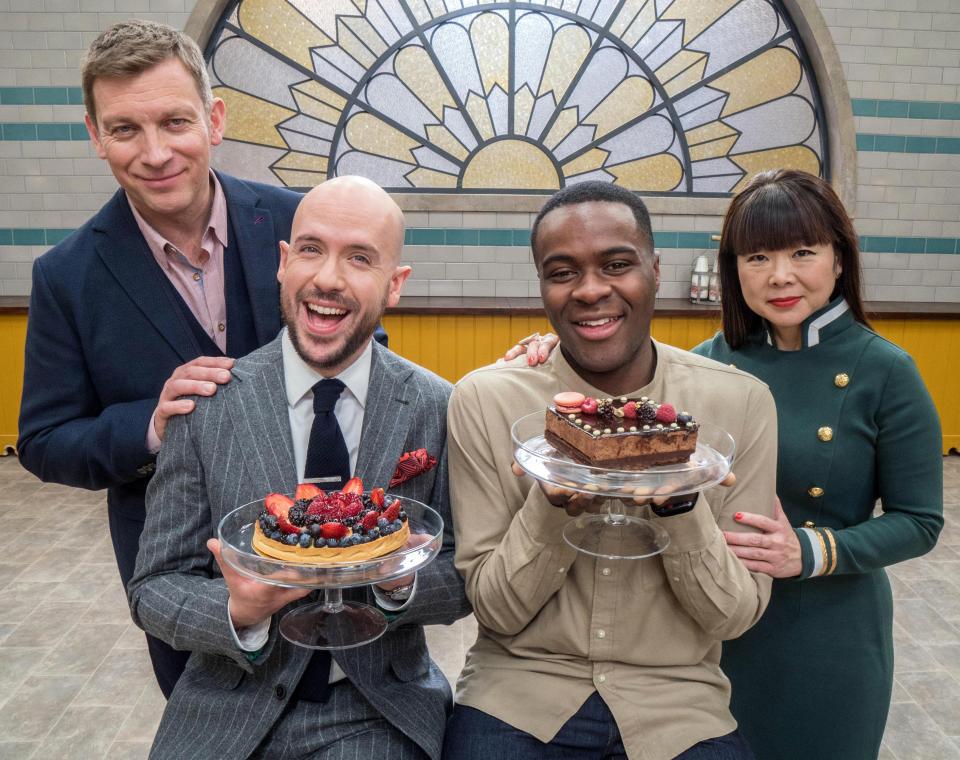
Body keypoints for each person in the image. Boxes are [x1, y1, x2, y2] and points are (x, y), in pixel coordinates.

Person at [15, 20, 385, 697]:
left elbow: (371, 350)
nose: (156, 153)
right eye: (125, 129)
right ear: (96, 136)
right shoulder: (66, 276)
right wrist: (150, 426)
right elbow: (42, 441)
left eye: (174, 122)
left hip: (330, 551)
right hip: (184, 582)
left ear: (213, 120)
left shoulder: (295, 223)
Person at [127, 176, 471, 759]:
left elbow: (467, 569)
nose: (328, 277)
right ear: (283, 264)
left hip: (375, 709)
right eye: (311, 249)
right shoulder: (206, 405)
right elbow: (153, 587)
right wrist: (237, 609)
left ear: (395, 286)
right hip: (226, 707)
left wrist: (400, 580)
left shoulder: (440, 407)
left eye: (360, 258)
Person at [443, 181, 779, 759]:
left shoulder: (738, 404)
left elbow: (734, 614)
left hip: (676, 703)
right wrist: (549, 506)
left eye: (617, 264)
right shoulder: (487, 401)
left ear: (654, 268)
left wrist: (681, 507)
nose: (590, 290)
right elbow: (495, 610)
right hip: (519, 691)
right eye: (562, 271)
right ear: (542, 286)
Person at [690, 169, 943, 760]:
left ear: (838, 258)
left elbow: (919, 520)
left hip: (825, 634)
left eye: (803, 251)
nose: (780, 276)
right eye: (757, 256)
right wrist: (543, 357)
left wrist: (807, 550)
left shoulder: (886, 370)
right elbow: (624, 408)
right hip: (711, 625)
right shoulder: (706, 363)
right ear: (734, 269)